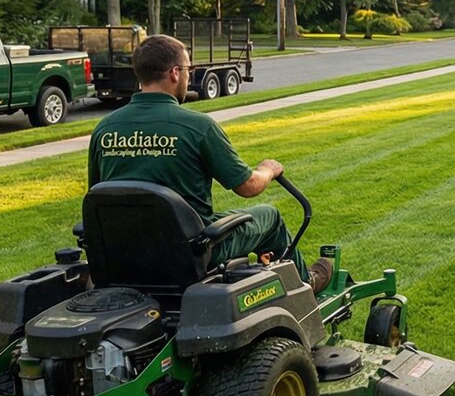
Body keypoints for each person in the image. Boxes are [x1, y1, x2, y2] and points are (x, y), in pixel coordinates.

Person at [88, 34, 331, 291]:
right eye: (188, 69)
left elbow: (97, 193)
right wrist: (268, 170)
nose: (189, 76)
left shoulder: (105, 128)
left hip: (125, 252)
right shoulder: (197, 126)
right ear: (174, 73)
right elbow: (248, 186)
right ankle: (304, 284)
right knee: (269, 216)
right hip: (192, 251)